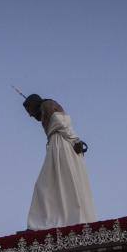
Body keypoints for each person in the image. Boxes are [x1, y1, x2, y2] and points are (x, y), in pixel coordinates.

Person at [22, 94, 96, 230]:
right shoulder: (45, 109)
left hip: (61, 146)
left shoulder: (47, 106)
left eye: (29, 111)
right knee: (51, 184)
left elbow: (63, 123)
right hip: (56, 147)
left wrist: (75, 140)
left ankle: (62, 218)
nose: (30, 116)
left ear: (34, 104)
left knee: (53, 183)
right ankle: (52, 218)